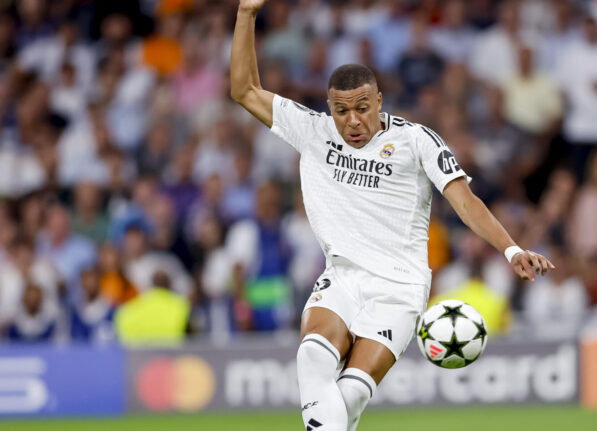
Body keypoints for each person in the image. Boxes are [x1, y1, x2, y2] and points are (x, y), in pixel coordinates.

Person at [230, 2, 555, 430]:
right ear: (329, 107)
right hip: (343, 275)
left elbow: (465, 200)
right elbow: (244, 90)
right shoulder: (314, 131)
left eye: (362, 107)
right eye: (341, 110)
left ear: (379, 100)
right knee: (311, 355)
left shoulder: (416, 141)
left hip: (400, 286)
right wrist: (246, 13)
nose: (352, 121)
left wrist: (511, 249)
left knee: (352, 393)